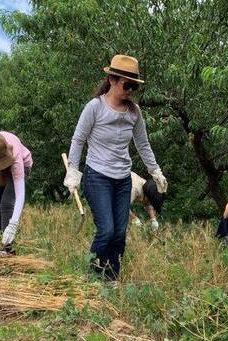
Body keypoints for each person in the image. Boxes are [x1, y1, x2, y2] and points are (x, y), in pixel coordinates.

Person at [63, 54, 168, 281]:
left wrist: (155, 171)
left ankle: (111, 279)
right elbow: (78, 140)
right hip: (97, 176)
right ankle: (93, 277)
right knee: (107, 231)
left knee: (120, 234)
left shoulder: (134, 111)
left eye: (134, 86)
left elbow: (143, 144)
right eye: (126, 84)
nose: (130, 90)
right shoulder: (95, 107)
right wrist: (73, 171)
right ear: (112, 79)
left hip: (123, 180)